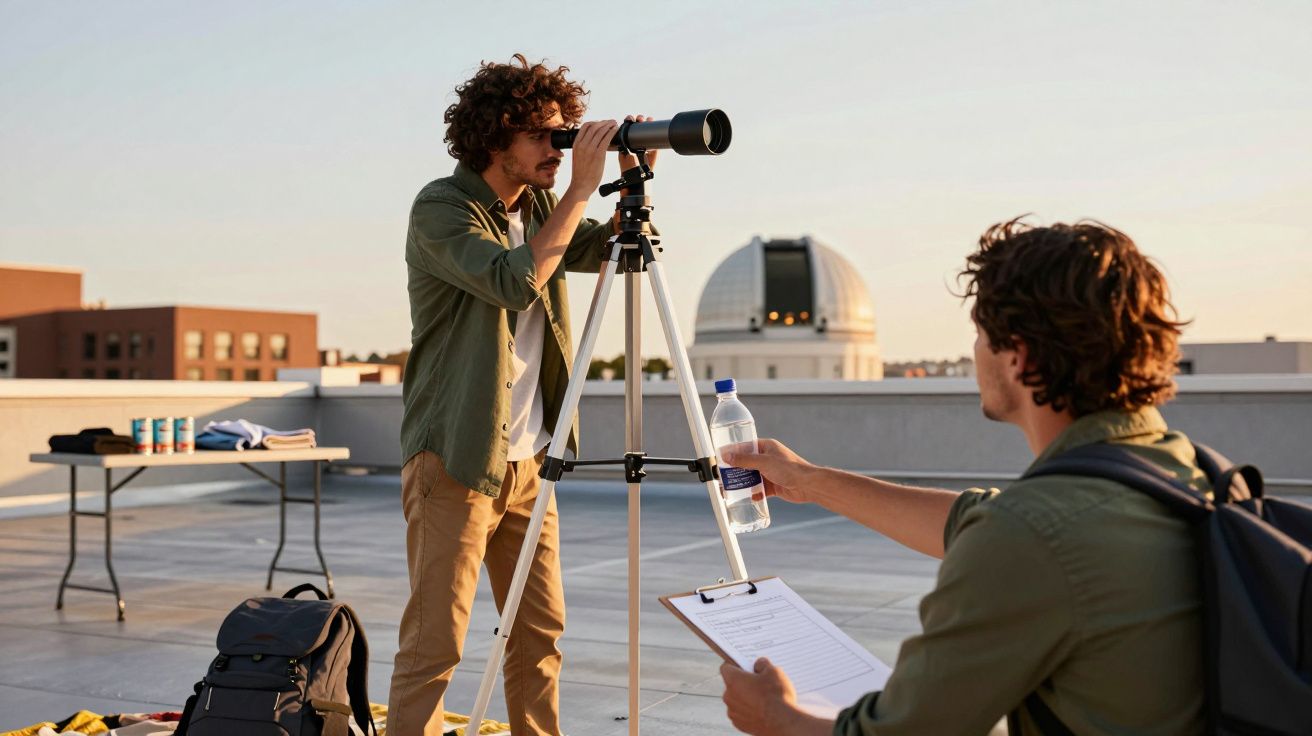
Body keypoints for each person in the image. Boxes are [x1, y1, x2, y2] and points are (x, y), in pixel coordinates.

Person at [719, 218, 1205, 735]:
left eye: (979, 333)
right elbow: (981, 520)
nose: (974, 351)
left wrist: (775, 716)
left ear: (1017, 357)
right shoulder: (1178, 470)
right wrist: (807, 480)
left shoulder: (1031, 538)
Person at [389, 54, 655, 736]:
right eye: (543, 135)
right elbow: (513, 280)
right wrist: (578, 194)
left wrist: (633, 178)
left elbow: (619, 248)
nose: (559, 150)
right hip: (457, 458)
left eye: (564, 134)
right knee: (434, 645)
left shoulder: (539, 205)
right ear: (494, 138)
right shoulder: (441, 209)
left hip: (529, 462)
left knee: (539, 637)